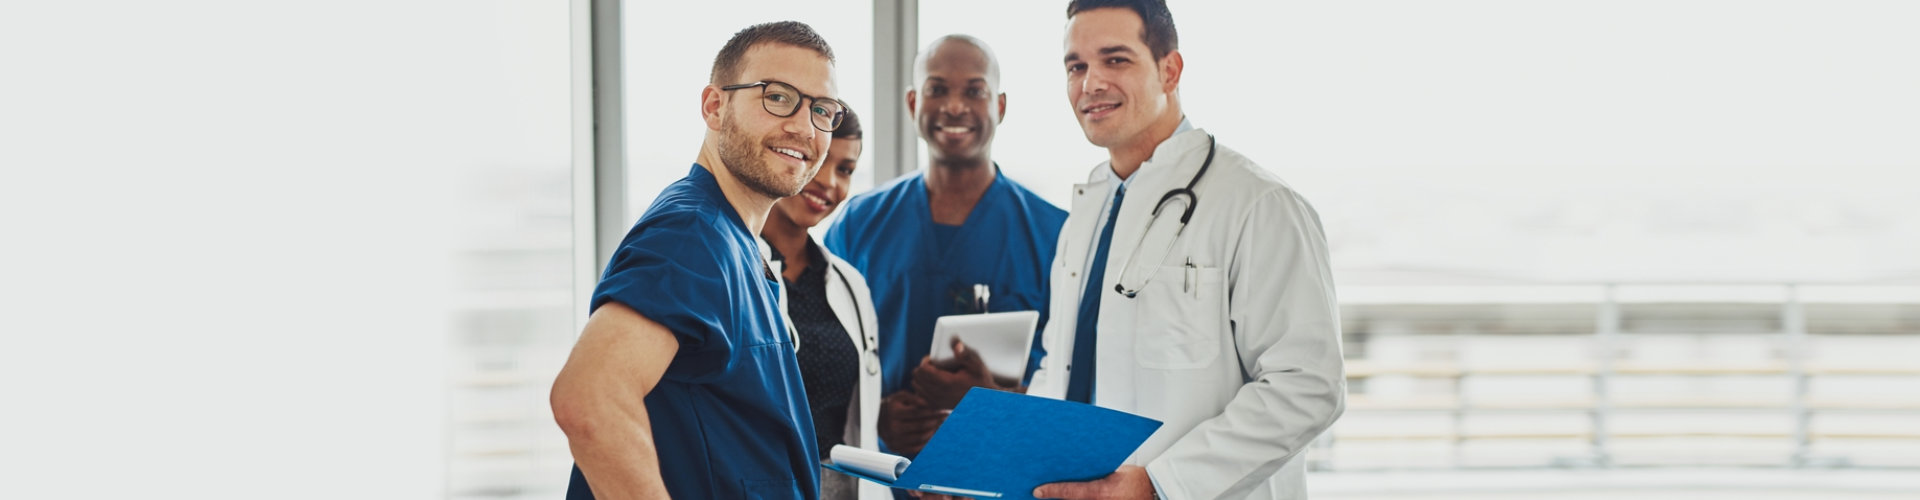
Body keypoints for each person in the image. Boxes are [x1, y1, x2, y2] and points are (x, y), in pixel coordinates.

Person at [1025, 1, 1347, 499]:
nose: (1090, 84)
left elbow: (1307, 387)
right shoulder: (1086, 213)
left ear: (1169, 70)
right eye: (1076, 66)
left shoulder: (1258, 204)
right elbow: (1061, 366)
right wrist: (1006, 464)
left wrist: (1160, 485)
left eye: (1116, 60)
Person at [549, 21, 848, 500]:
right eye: (777, 97)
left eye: (822, 109)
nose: (803, 126)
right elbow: (588, 400)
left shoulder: (738, 244)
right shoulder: (692, 235)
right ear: (715, 106)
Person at [824, 35, 1068, 459]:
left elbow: (1074, 382)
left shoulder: (1057, 235)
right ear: (913, 103)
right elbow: (818, 356)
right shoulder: (858, 224)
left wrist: (988, 401)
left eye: (975, 91)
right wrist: (875, 416)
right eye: (937, 89)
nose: (955, 106)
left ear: (1001, 106)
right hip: (883, 473)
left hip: (1004, 469)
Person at [758, 110, 891, 500]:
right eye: (816, 159)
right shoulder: (732, 267)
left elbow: (859, 424)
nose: (829, 182)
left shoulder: (850, 285)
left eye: (846, 169)